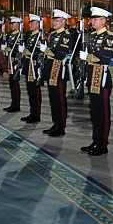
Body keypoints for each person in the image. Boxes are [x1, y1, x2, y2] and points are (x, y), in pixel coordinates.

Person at [79, 7, 113, 156]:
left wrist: (87, 57)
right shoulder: (92, 36)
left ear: (103, 20)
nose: (92, 21)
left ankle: (102, 144)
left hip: (102, 78)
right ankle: (95, 141)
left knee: (103, 113)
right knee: (95, 112)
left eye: (95, 19)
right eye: (92, 18)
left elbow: (106, 58)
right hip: (92, 77)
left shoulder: (109, 37)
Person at [40, 9, 74, 137]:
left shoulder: (66, 36)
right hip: (51, 69)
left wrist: (47, 51)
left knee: (59, 99)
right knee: (53, 99)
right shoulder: (53, 35)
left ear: (64, 21)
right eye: (54, 20)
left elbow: (60, 54)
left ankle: (61, 126)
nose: (54, 22)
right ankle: (55, 124)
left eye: (57, 20)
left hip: (59, 71)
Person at [20, 13, 43, 124]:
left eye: (32, 22)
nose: (30, 24)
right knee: (30, 91)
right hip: (29, 66)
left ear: (38, 24)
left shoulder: (40, 36)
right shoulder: (32, 36)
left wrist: (30, 54)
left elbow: (41, 53)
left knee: (35, 91)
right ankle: (32, 112)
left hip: (35, 67)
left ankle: (36, 114)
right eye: (30, 22)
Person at [2, 16, 22, 112]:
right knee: (11, 84)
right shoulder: (10, 35)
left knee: (14, 83)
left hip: (15, 62)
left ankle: (16, 104)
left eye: (13, 24)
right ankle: (13, 103)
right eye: (11, 24)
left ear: (18, 25)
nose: (11, 25)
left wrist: (12, 51)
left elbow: (20, 50)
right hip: (9, 61)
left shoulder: (20, 36)